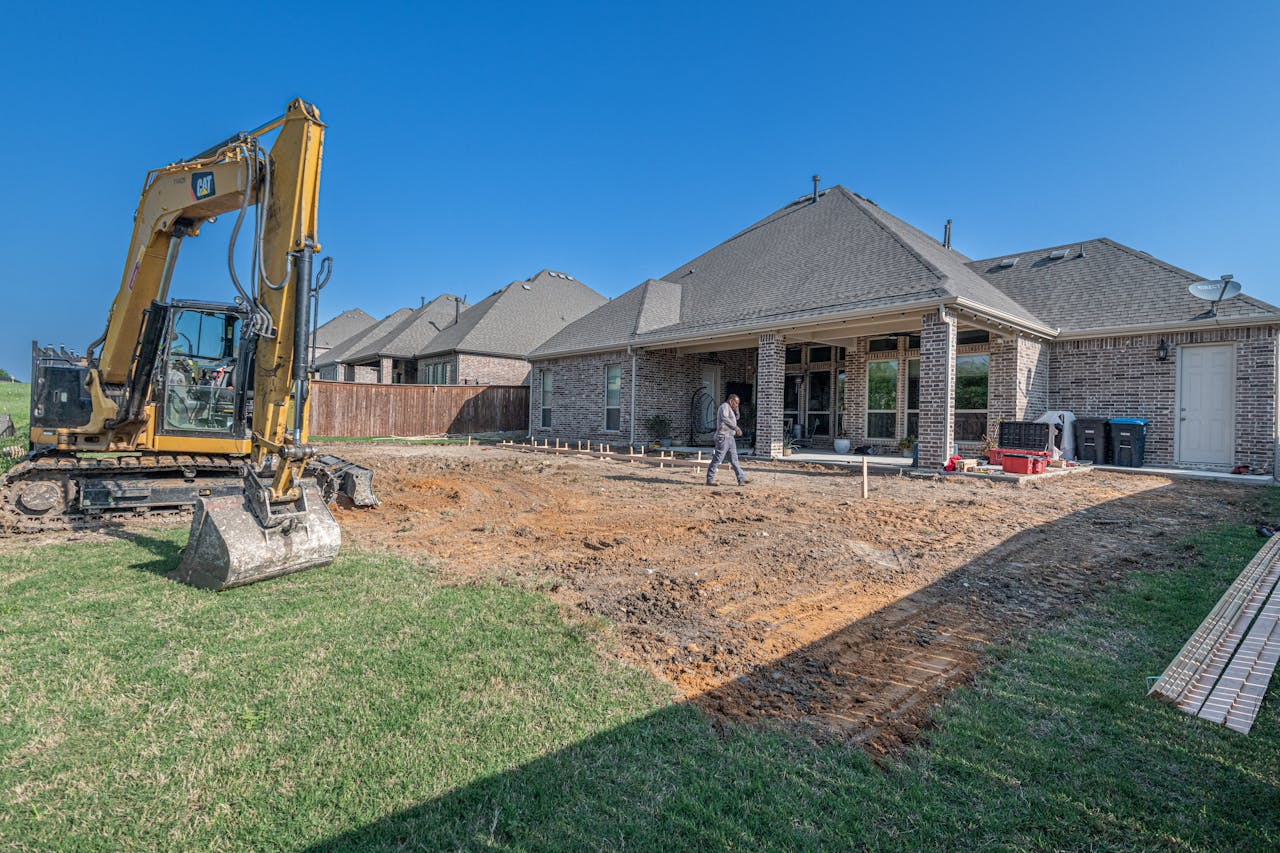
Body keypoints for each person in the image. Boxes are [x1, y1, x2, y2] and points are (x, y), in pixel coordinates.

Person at [706, 393, 747, 486]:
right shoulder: (724, 407)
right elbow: (724, 418)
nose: (737, 405)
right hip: (723, 437)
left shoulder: (731, 409)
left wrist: (736, 409)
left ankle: (741, 479)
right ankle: (709, 479)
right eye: (736, 403)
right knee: (717, 459)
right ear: (731, 401)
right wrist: (736, 428)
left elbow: (737, 418)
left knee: (734, 459)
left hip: (730, 438)